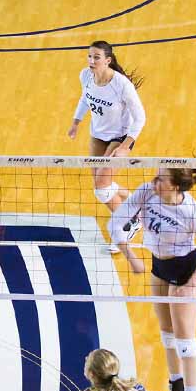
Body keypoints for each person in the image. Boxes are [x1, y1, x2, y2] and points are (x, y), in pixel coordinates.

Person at [109, 141, 196, 391]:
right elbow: (117, 220)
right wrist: (131, 255)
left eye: (160, 178)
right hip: (159, 267)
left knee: (186, 342)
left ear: (174, 187)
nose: (153, 181)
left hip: (184, 271)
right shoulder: (148, 192)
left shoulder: (192, 212)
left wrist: (192, 283)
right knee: (167, 336)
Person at [67, 40, 146, 253]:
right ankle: (135, 203)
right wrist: (76, 122)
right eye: (89, 56)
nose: (91, 61)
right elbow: (85, 98)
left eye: (96, 57)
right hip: (98, 134)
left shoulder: (121, 85)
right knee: (101, 186)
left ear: (107, 61)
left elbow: (140, 118)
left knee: (102, 188)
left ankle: (128, 225)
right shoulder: (85, 76)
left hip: (120, 136)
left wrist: (125, 146)